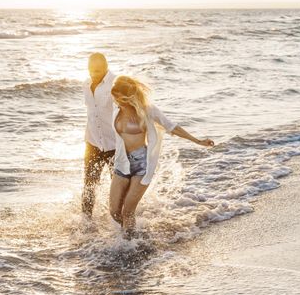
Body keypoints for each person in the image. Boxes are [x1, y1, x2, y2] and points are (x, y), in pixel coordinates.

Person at [109, 75, 214, 238]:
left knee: (128, 211)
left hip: (142, 164)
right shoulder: (116, 111)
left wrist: (198, 141)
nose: (116, 102)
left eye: (118, 99)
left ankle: (129, 246)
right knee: (115, 212)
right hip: (122, 163)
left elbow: (172, 126)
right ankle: (130, 236)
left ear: (127, 97)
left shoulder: (147, 110)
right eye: (114, 98)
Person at [82, 53, 116, 218]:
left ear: (105, 67)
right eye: (91, 70)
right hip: (93, 143)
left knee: (118, 189)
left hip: (115, 146)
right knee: (89, 185)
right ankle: (86, 225)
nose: (94, 74)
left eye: (98, 70)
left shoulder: (115, 84)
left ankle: (121, 227)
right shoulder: (86, 84)